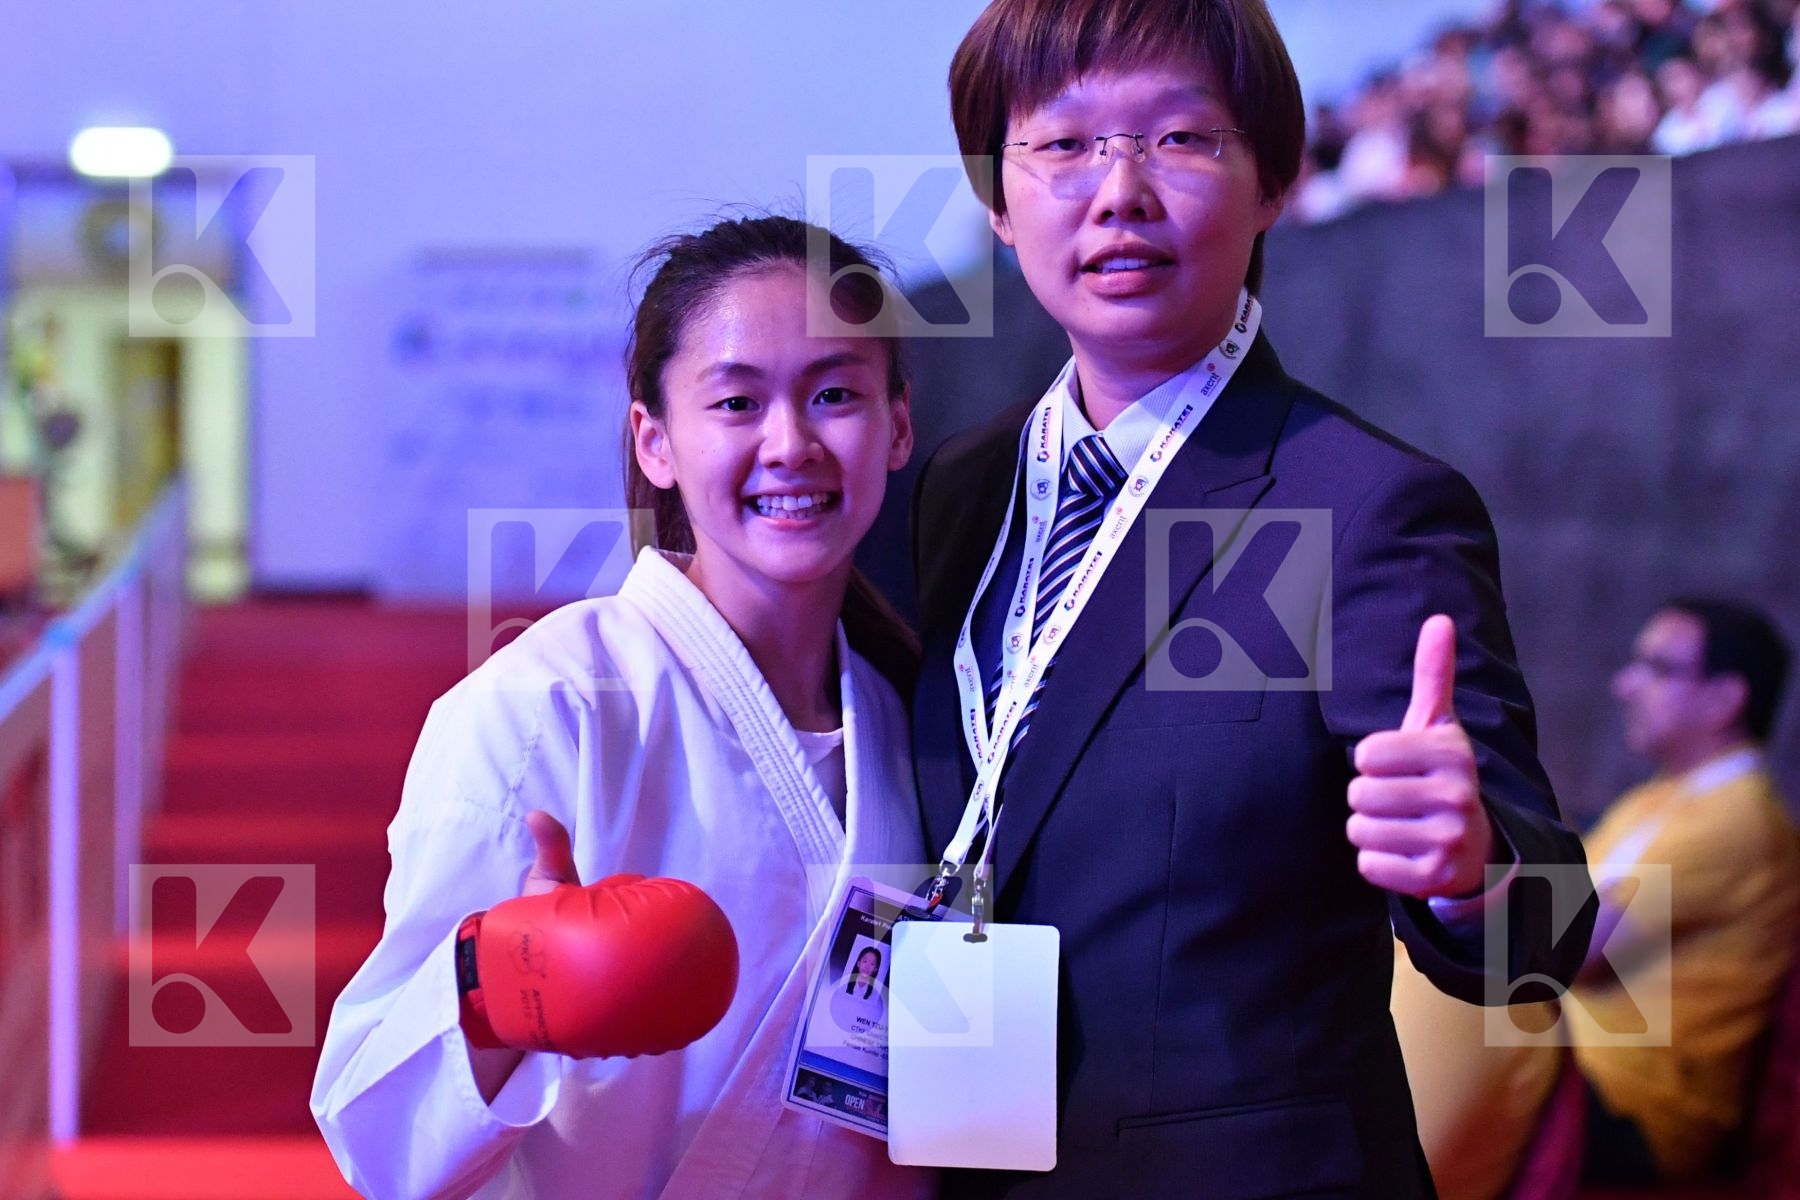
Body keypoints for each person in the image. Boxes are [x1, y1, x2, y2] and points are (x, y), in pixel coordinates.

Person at [907, 1, 1597, 1195]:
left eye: (1181, 138)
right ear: (995, 206)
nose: (1119, 191)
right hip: (961, 1158)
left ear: (1274, 183)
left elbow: (1542, 936)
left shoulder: (1366, 506)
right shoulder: (949, 497)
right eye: (1063, 146)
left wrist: (1468, 862)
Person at [312, 216, 935, 1200]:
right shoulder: (542, 710)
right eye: (736, 401)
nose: (791, 444)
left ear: (897, 423)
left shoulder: (912, 725)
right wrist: (502, 995)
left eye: (835, 395)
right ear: (655, 441)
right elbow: (377, 1139)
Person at [1570, 597, 1800, 1185]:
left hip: (1635, 1112)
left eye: (1659, 668)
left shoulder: (1738, 820)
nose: (1626, 684)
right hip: (1566, 1066)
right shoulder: (1654, 799)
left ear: (1726, 698)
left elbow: (1556, 952)